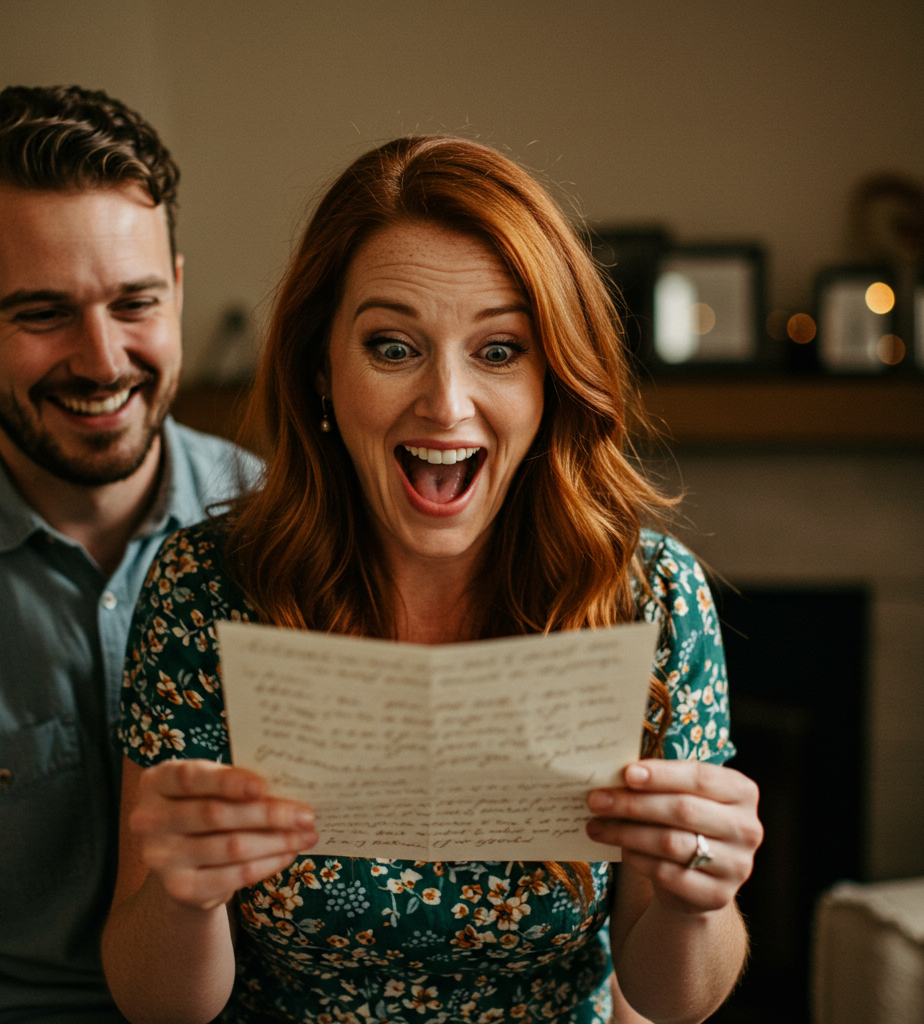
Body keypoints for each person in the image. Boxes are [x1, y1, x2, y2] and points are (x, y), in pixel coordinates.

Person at [102, 136, 763, 1024]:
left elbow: (673, 1000)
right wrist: (185, 898)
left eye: (499, 350)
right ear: (321, 367)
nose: (446, 403)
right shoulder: (205, 589)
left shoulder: (649, 596)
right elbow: (156, 1004)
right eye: (392, 346)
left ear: (552, 380)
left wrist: (698, 898)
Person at [0, 86, 261, 1023]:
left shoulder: (288, 532)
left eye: (136, 303)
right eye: (42, 313)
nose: (102, 361)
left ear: (176, 288)